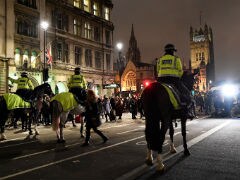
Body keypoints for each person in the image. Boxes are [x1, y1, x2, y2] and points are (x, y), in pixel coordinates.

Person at [156, 43, 193, 118]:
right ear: (173, 51)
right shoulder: (176, 59)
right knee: (186, 93)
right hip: (173, 80)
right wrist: (178, 77)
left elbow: (157, 70)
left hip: (161, 80)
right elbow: (180, 71)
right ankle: (187, 111)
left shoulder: (160, 59)